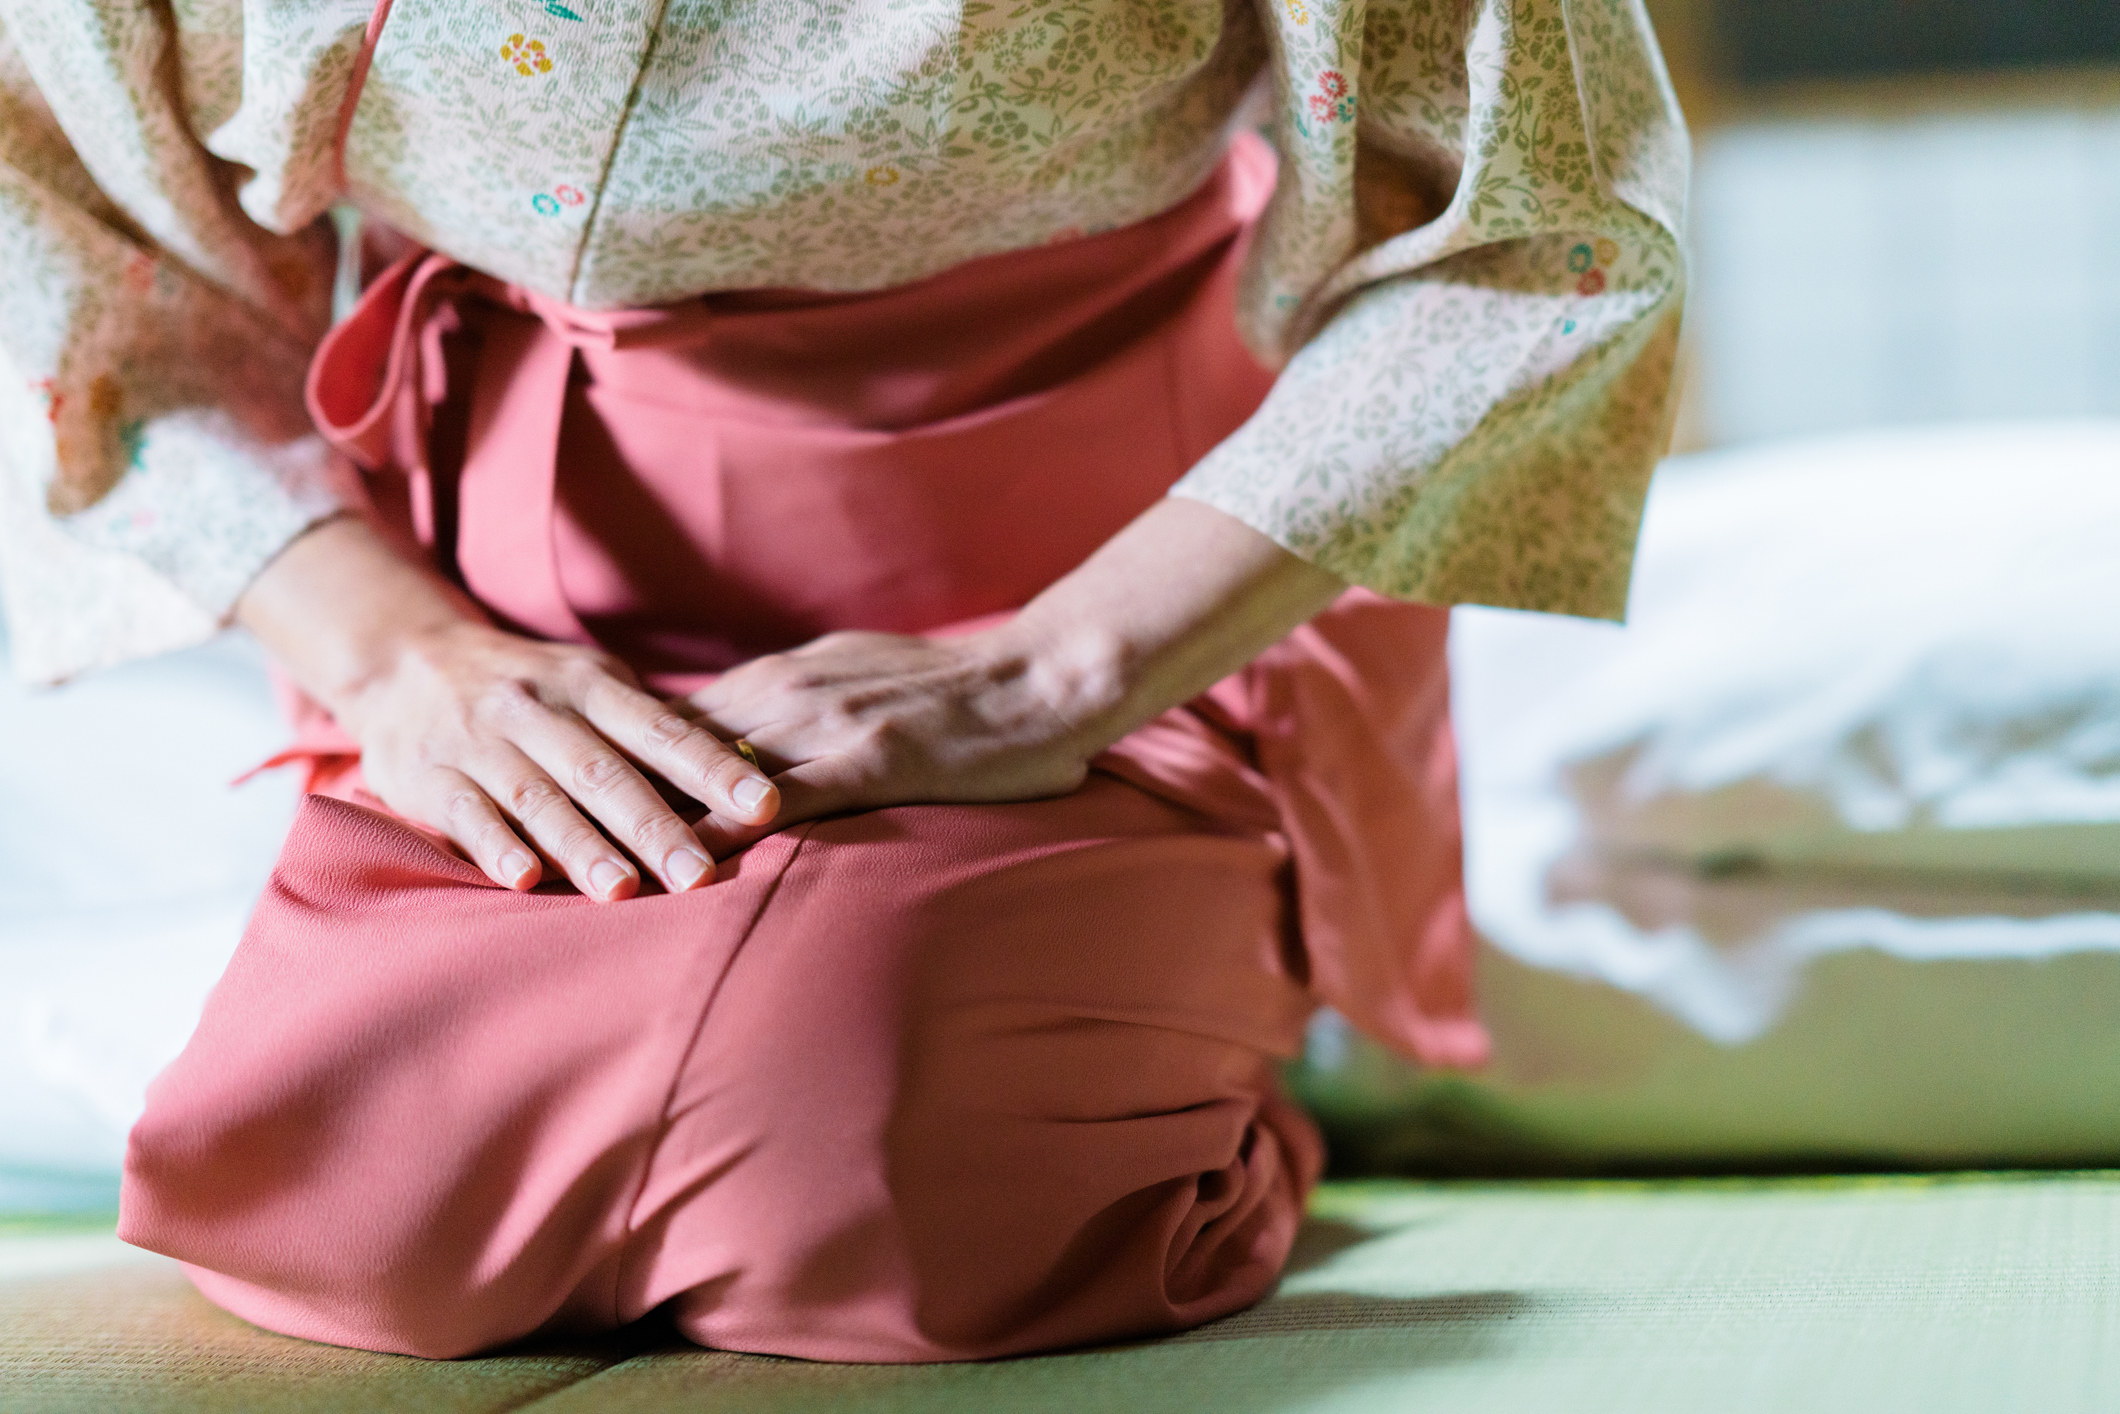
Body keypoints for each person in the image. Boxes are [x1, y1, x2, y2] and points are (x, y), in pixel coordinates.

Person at [0, 0, 1686, 1363]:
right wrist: (401, 655)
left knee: (887, 1195)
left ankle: (1221, 1003)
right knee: (332, 1204)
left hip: (1103, 598)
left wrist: (1052, 671)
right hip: (491, 631)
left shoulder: (1076, 651)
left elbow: (1536, 230)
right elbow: (66, 226)